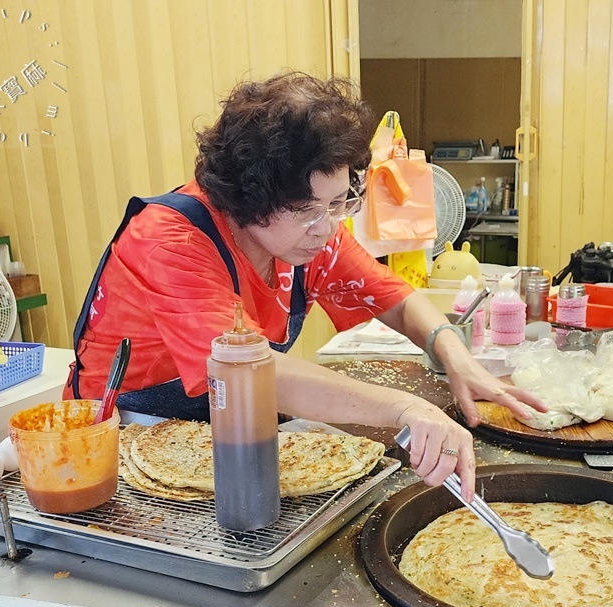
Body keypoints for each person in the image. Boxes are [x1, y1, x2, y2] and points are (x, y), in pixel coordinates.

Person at [66, 71, 545, 500]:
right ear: (247, 197)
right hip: (126, 441)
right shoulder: (168, 239)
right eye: (305, 209)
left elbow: (394, 298)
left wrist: (457, 357)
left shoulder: (311, 234)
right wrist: (405, 408)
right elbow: (249, 371)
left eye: (340, 202)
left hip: (232, 430)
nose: (327, 226)